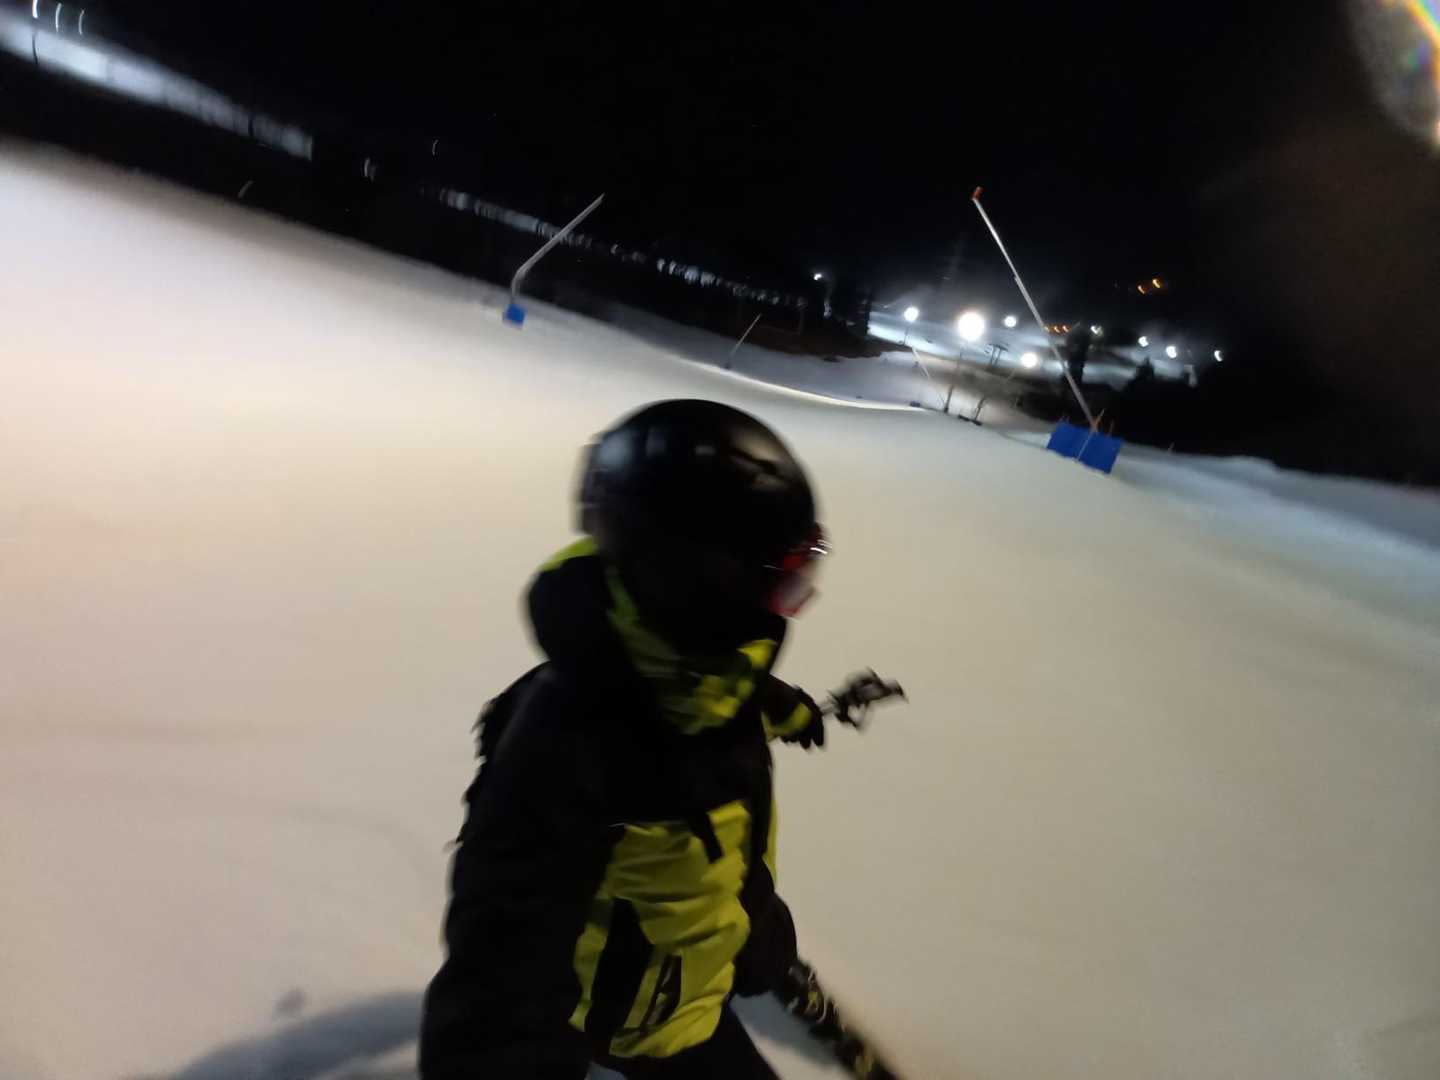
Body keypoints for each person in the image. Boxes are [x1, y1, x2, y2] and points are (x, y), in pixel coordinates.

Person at [420, 399, 836, 1079]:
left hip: (691, 984)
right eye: (783, 580)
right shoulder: (567, 748)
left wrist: (786, 708)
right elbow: (495, 995)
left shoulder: (710, 681)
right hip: (627, 1025)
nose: (788, 607)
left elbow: (729, 825)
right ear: (697, 581)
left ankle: (756, 955)